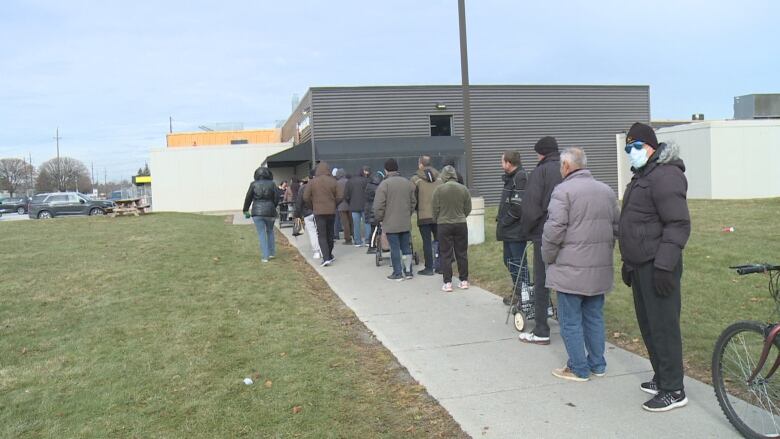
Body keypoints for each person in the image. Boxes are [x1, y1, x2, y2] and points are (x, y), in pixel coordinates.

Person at [619, 122, 691, 412]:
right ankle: (662, 376)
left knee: (663, 326)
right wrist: (628, 262)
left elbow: (678, 224)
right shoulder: (642, 175)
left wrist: (663, 266)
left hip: (658, 265)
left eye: (636, 147)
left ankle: (674, 389)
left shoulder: (666, 175)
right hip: (640, 265)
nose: (632, 152)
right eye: (628, 148)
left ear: (651, 146)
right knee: (649, 325)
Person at [541, 147, 619, 382]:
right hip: (598, 267)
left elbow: (553, 230)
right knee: (594, 316)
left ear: (566, 166)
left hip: (570, 268)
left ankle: (578, 367)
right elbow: (616, 228)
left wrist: (548, 257)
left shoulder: (563, 191)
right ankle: (598, 363)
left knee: (571, 320)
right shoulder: (606, 190)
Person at [518, 136, 563, 345]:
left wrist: (527, 230)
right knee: (565, 280)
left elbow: (531, 206)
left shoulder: (540, 172)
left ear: (541, 153)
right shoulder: (567, 168)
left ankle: (541, 329)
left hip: (543, 234)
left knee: (542, 281)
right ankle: (568, 322)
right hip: (568, 235)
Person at [373, 159, 416, 281]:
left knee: (395, 248)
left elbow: (378, 205)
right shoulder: (407, 183)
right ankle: (408, 271)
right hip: (404, 221)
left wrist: (380, 218)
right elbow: (413, 202)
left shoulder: (384, 185)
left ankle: (397, 273)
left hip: (390, 222)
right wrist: (408, 213)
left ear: (386, 170)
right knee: (406, 247)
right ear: (397, 168)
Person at [432, 165, 471, 292]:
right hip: (460, 223)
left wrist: (437, 219)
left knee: (446, 254)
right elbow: (468, 207)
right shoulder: (463, 189)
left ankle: (448, 283)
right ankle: (464, 280)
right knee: (462, 253)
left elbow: (435, 208)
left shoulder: (439, 190)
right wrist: (461, 215)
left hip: (444, 224)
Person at [497, 150, 528, 305]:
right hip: (509, 231)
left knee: (519, 264)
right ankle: (518, 292)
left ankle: (525, 296)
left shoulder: (520, 177)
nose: (501, 164)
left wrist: (504, 221)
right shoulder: (510, 178)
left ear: (509, 163)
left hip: (516, 230)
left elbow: (518, 207)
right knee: (509, 261)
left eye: (502, 161)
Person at [303, 162, 342, 266]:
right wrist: (334, 204)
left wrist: (312, 206)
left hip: (318, 211)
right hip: (331, 211)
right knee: (330, 234)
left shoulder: (312, 182)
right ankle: (329, 254)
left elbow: (305, 197)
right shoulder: (334, 181)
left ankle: (326, 258)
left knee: (322, 235)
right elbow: (340, 196)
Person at [411, 155, 441, 276]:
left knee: (427, 242)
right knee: (440, 241)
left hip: (423, 215)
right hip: (438, 214)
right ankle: (441, 266)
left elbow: (412, 197)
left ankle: (429, 267)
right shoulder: (440, 178)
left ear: (420, 164)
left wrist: (414, 209)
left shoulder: (415, 179)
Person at [242, 166, 279, 263]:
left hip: (257, 212)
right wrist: (272, 206)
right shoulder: (272, 184)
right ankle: (271, 253)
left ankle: (265, 257)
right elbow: (277, 198)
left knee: (261, 233)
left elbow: (248, 198)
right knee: (270, 231)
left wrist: (245, 210)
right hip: (270, 211)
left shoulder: (253, 184)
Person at [295, 169, 321, 259]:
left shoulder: (303, 188)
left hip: (307, 213)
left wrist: (297, 215)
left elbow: (299, 202)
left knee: (312, 232)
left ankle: (316, 251)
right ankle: (323, 250)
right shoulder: (321, 186)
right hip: (319, 211)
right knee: (321, 232)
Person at [345, 166, 371, 247]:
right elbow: (369, 193)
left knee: (356, 224)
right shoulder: (366, 180)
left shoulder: (350, 182)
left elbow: (346, 195)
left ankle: (357, 241)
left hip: (354, 206)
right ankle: (368, 240)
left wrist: (350, 203)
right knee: (367, 223)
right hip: (365, 205)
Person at [364, 170, 385, 254]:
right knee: (375, 229)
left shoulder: (369, 185)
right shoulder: (377, 187)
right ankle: (371, 246)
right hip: (373, 210)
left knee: (374, 229)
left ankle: (373, 245)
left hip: (369, 209)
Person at [335, 168, 353, 245]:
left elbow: (335, 195)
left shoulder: (336, 183)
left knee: (345, 223)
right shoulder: (349, 181)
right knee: (351, 222)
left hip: (341, 205)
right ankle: (355, 236)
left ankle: (348, 239)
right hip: (350, 204)